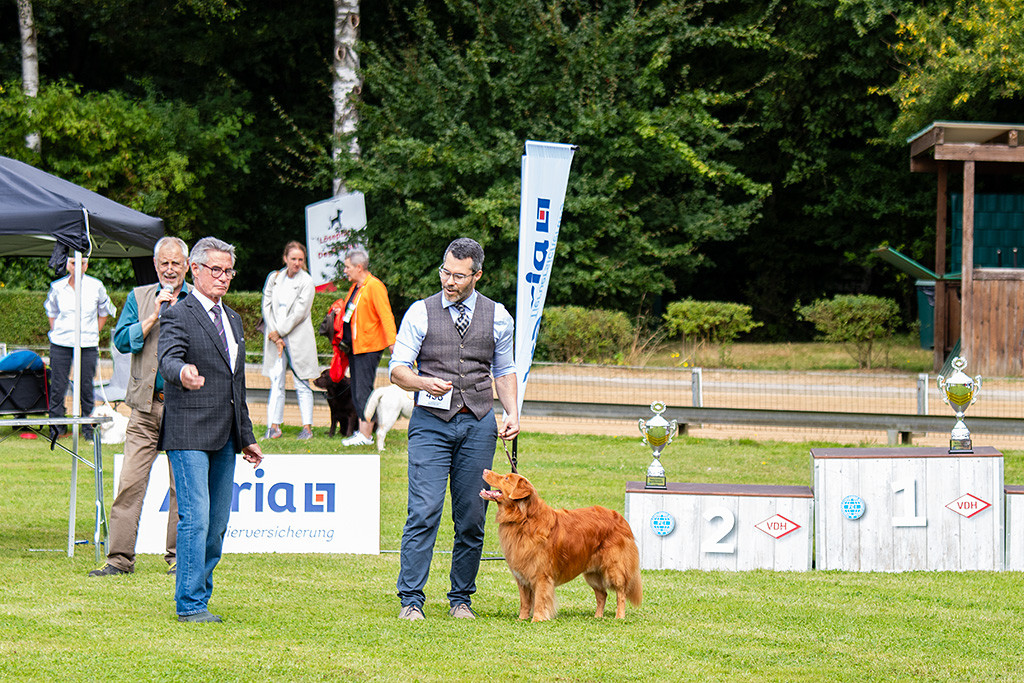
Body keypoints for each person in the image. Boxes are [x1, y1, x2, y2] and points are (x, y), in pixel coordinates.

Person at [389, 237, 519, 620]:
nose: (449, 280)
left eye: (459, 275)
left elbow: (504, 369)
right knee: (424, 510)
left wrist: (512, 412)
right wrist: (421, 382)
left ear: (477, 275)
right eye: (445, 271)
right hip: (430, 424)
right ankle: (411, 600)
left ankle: (461, 598)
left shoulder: (498, 316)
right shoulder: (420, 312)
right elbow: (397, 370)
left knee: (472, 516)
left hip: (479, 422)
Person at [158, 236, 263, 624]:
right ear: (195, 270)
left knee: (216, 525)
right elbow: (168, 359)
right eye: (215, 270)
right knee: (196, 518)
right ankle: (189, 604)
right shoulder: (178, 314)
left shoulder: (233, 319)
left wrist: (247, 437)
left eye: (228, 271)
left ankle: (200, 594)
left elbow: (238, 386)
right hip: (187, 433)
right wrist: (182, 373)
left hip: (226, 436)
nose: (223, 278)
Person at [87, 237, 190, 578]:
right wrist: (151, 318)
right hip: (145, 408)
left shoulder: (198, 300)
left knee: (182, 488)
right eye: (164, 263)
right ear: (156, 265)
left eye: (176, 263)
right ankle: (119, 559)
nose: (170, 270)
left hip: (183, 409)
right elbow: (119, 340)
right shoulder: (139, 297)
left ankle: (178, 558)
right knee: (130, 483)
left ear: (187, 266)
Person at [44, 256, 116, 440]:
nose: (77, 266)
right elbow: (51, 311)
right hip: (61, 343)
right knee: (58, 386)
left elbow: (105, 310)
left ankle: (88, 429)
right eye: (73, 263)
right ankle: (57, 429)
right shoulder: (57, 287)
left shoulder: (96, 285)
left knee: (86, 386)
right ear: (67, 265)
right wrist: (58, 332)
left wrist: (93, 332)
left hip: (87, 343)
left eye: (82, 263)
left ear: (86, 265)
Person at [332, 247, 397, 447]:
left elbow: (386, 316)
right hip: (355, 347)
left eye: (348, 267)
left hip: (369, 347)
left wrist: (393, 345)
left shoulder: (374, 286)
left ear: (359, 267)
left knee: (363, 390)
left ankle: (366, 434)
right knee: (358, 390)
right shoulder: (357, 288)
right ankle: (363, 432)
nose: (345, 271)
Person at [261, 241, 319, 440]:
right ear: (285, 258)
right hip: (275, 339)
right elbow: (266, 304)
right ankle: (274, 426)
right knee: (276, 381)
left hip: (298, 340)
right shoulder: (274, 278)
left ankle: (307, 428)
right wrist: (274, 332)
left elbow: (299, 313)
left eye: (300, 260)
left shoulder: (307, 282)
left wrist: (281, 332)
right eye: (293, 259)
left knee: (302, 381)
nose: (297, 263)